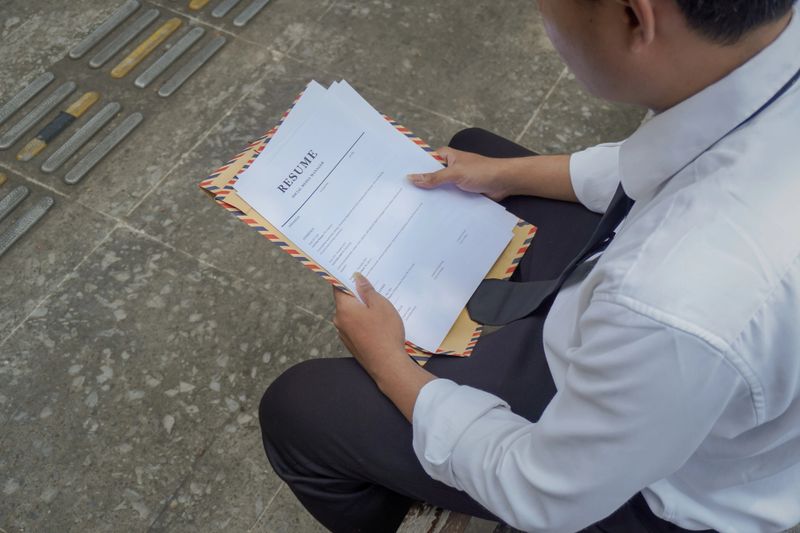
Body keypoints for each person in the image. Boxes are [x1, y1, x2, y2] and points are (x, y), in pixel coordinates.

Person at [259, 0, 800, 531]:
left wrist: (387, 361)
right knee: (474, 163)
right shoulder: (769, 54)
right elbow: (670, 158)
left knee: (299, 410)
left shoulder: (671, 299)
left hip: (657, 490)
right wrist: (505, 174)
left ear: (636, 17)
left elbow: (544, 491)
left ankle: (403, 501)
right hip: (679, 376)